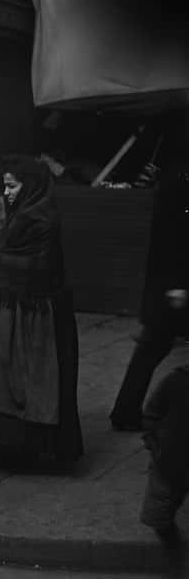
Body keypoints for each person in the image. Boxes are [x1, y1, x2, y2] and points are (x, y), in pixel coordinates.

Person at [0, 157, 83, 464]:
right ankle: (16, 444)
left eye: (12, 186)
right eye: (5, 186)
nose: (6, 193)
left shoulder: (39, 219)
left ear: (31, 186)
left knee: (30, 385)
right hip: (22, 311)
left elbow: (37, 268)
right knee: (10, 382)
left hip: (36, 319)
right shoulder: (26, 213)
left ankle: (30, 448)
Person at [110, 166, 189, 431]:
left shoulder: (174, 186)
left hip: (169, 289)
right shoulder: (176, 190)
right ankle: (125, 412)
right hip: (172, 290)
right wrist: (176, 286)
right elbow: (171, 242)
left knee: (151, 349)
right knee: (151, 349)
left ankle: (125, 411)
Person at [139, 364, 189, 551]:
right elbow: (152, 415)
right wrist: (154, 443)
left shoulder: (175, 381)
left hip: (170, 458)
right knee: (161, 513)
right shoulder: (176, 382)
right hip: (171, 460)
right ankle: (174, 554)